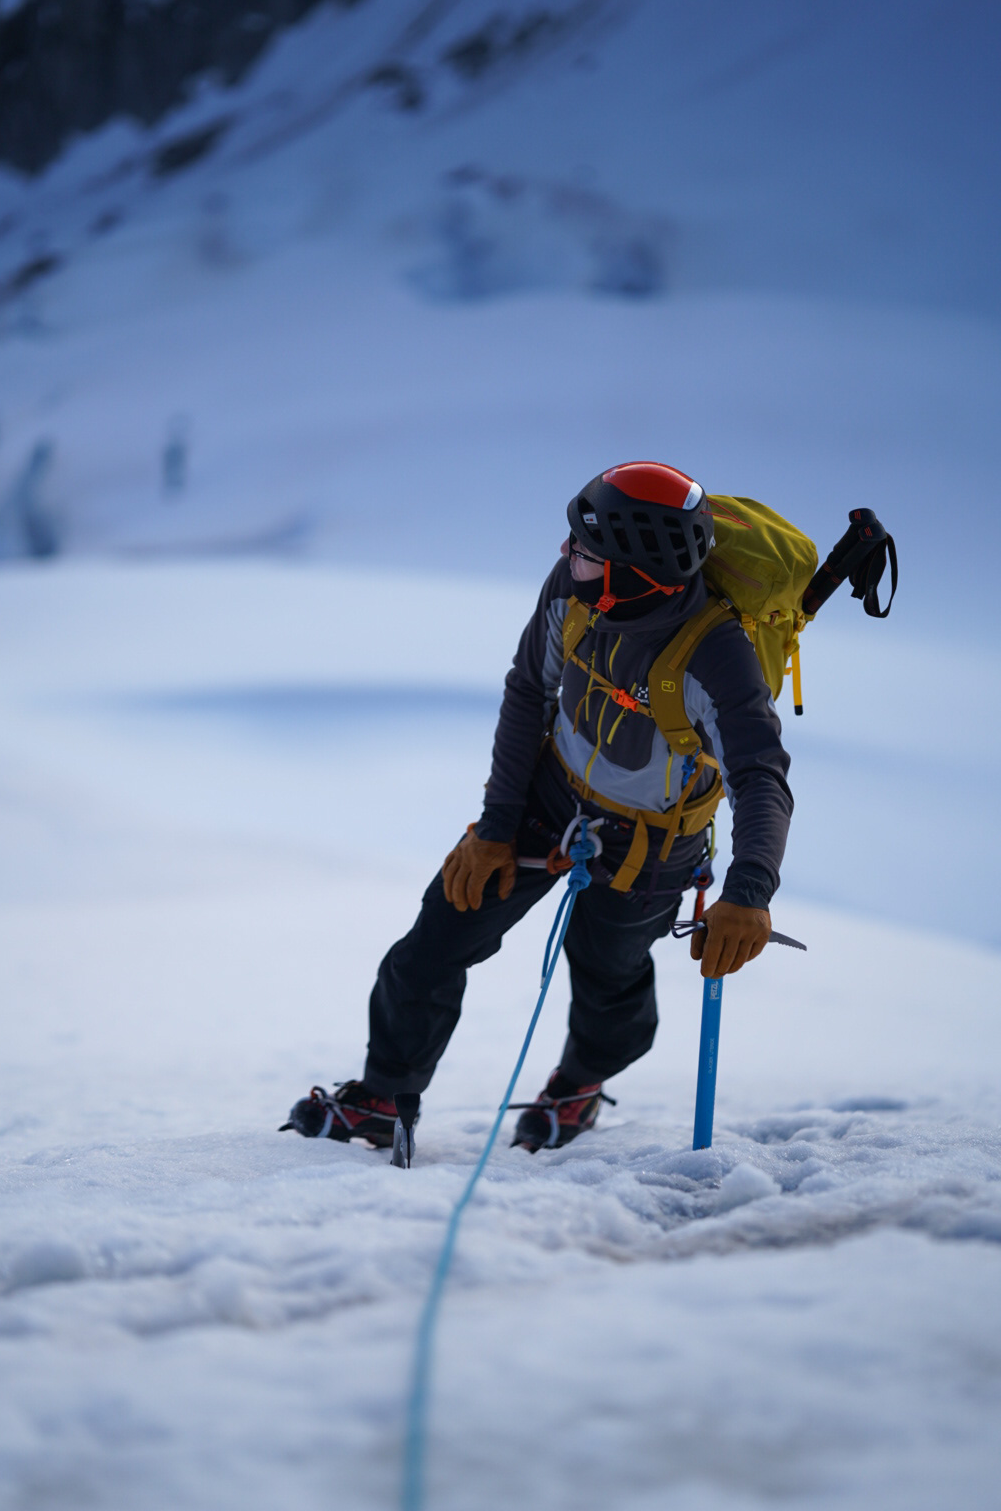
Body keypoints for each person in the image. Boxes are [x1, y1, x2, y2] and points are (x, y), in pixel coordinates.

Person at [284, 463, 791, 1153]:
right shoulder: (576, 593)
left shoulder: (719, 657)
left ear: (636, 569)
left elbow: (761, 775)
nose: (566, 558)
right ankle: (381, 1097)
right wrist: (495, 829)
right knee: (435, 939)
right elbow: (529, 691)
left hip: (654, 843)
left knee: (609, 972)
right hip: (547, 798)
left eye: (585, 551)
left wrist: (750, 890)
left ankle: (578, 1086)